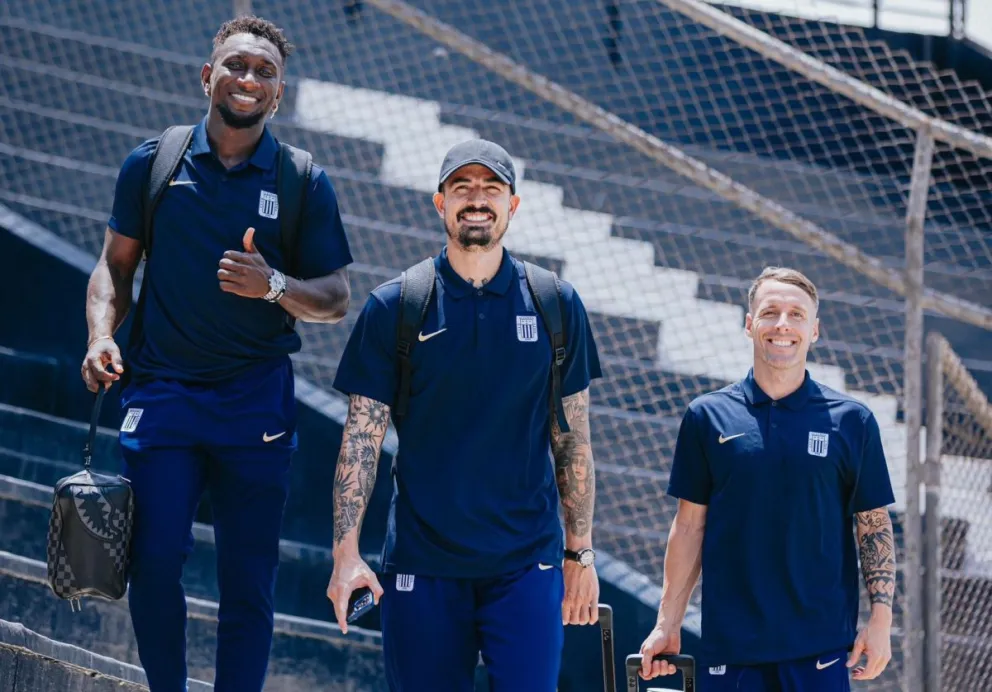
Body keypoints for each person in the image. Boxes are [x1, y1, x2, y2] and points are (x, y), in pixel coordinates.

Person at [80, 16, 353, 692]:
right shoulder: (155, 161)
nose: (248, 78)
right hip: (164, 394)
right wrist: (100, 336)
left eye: (264, 72)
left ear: (278, 94)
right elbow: (114, 267)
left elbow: (337, 297)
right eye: (237, 65)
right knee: (154, 561)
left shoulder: (301, 181)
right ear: (208, 76)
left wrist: (276, 286)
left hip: (254, 405)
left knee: (248, 584)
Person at [326, 139, 603, 691]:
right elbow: (361, 439)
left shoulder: (555, 303)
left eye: (491, 189)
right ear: (440, 203)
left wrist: (580, 550)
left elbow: (572, 441)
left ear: (513, 205)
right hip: (423, 564)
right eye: (463, 188)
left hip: (526, 564)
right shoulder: (397, 305)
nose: (477, 200)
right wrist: (345, 554)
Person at [638, 267, 896, 691]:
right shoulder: (707, 416)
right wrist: (668, 621)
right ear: (749, 324)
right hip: (730, 649)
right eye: (770, 312)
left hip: (820, 649)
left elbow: (874, 524)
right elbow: (688, 526)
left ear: (814, 331)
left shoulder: (853, 421)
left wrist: (881, 620)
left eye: (796, 315)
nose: (782, 325)